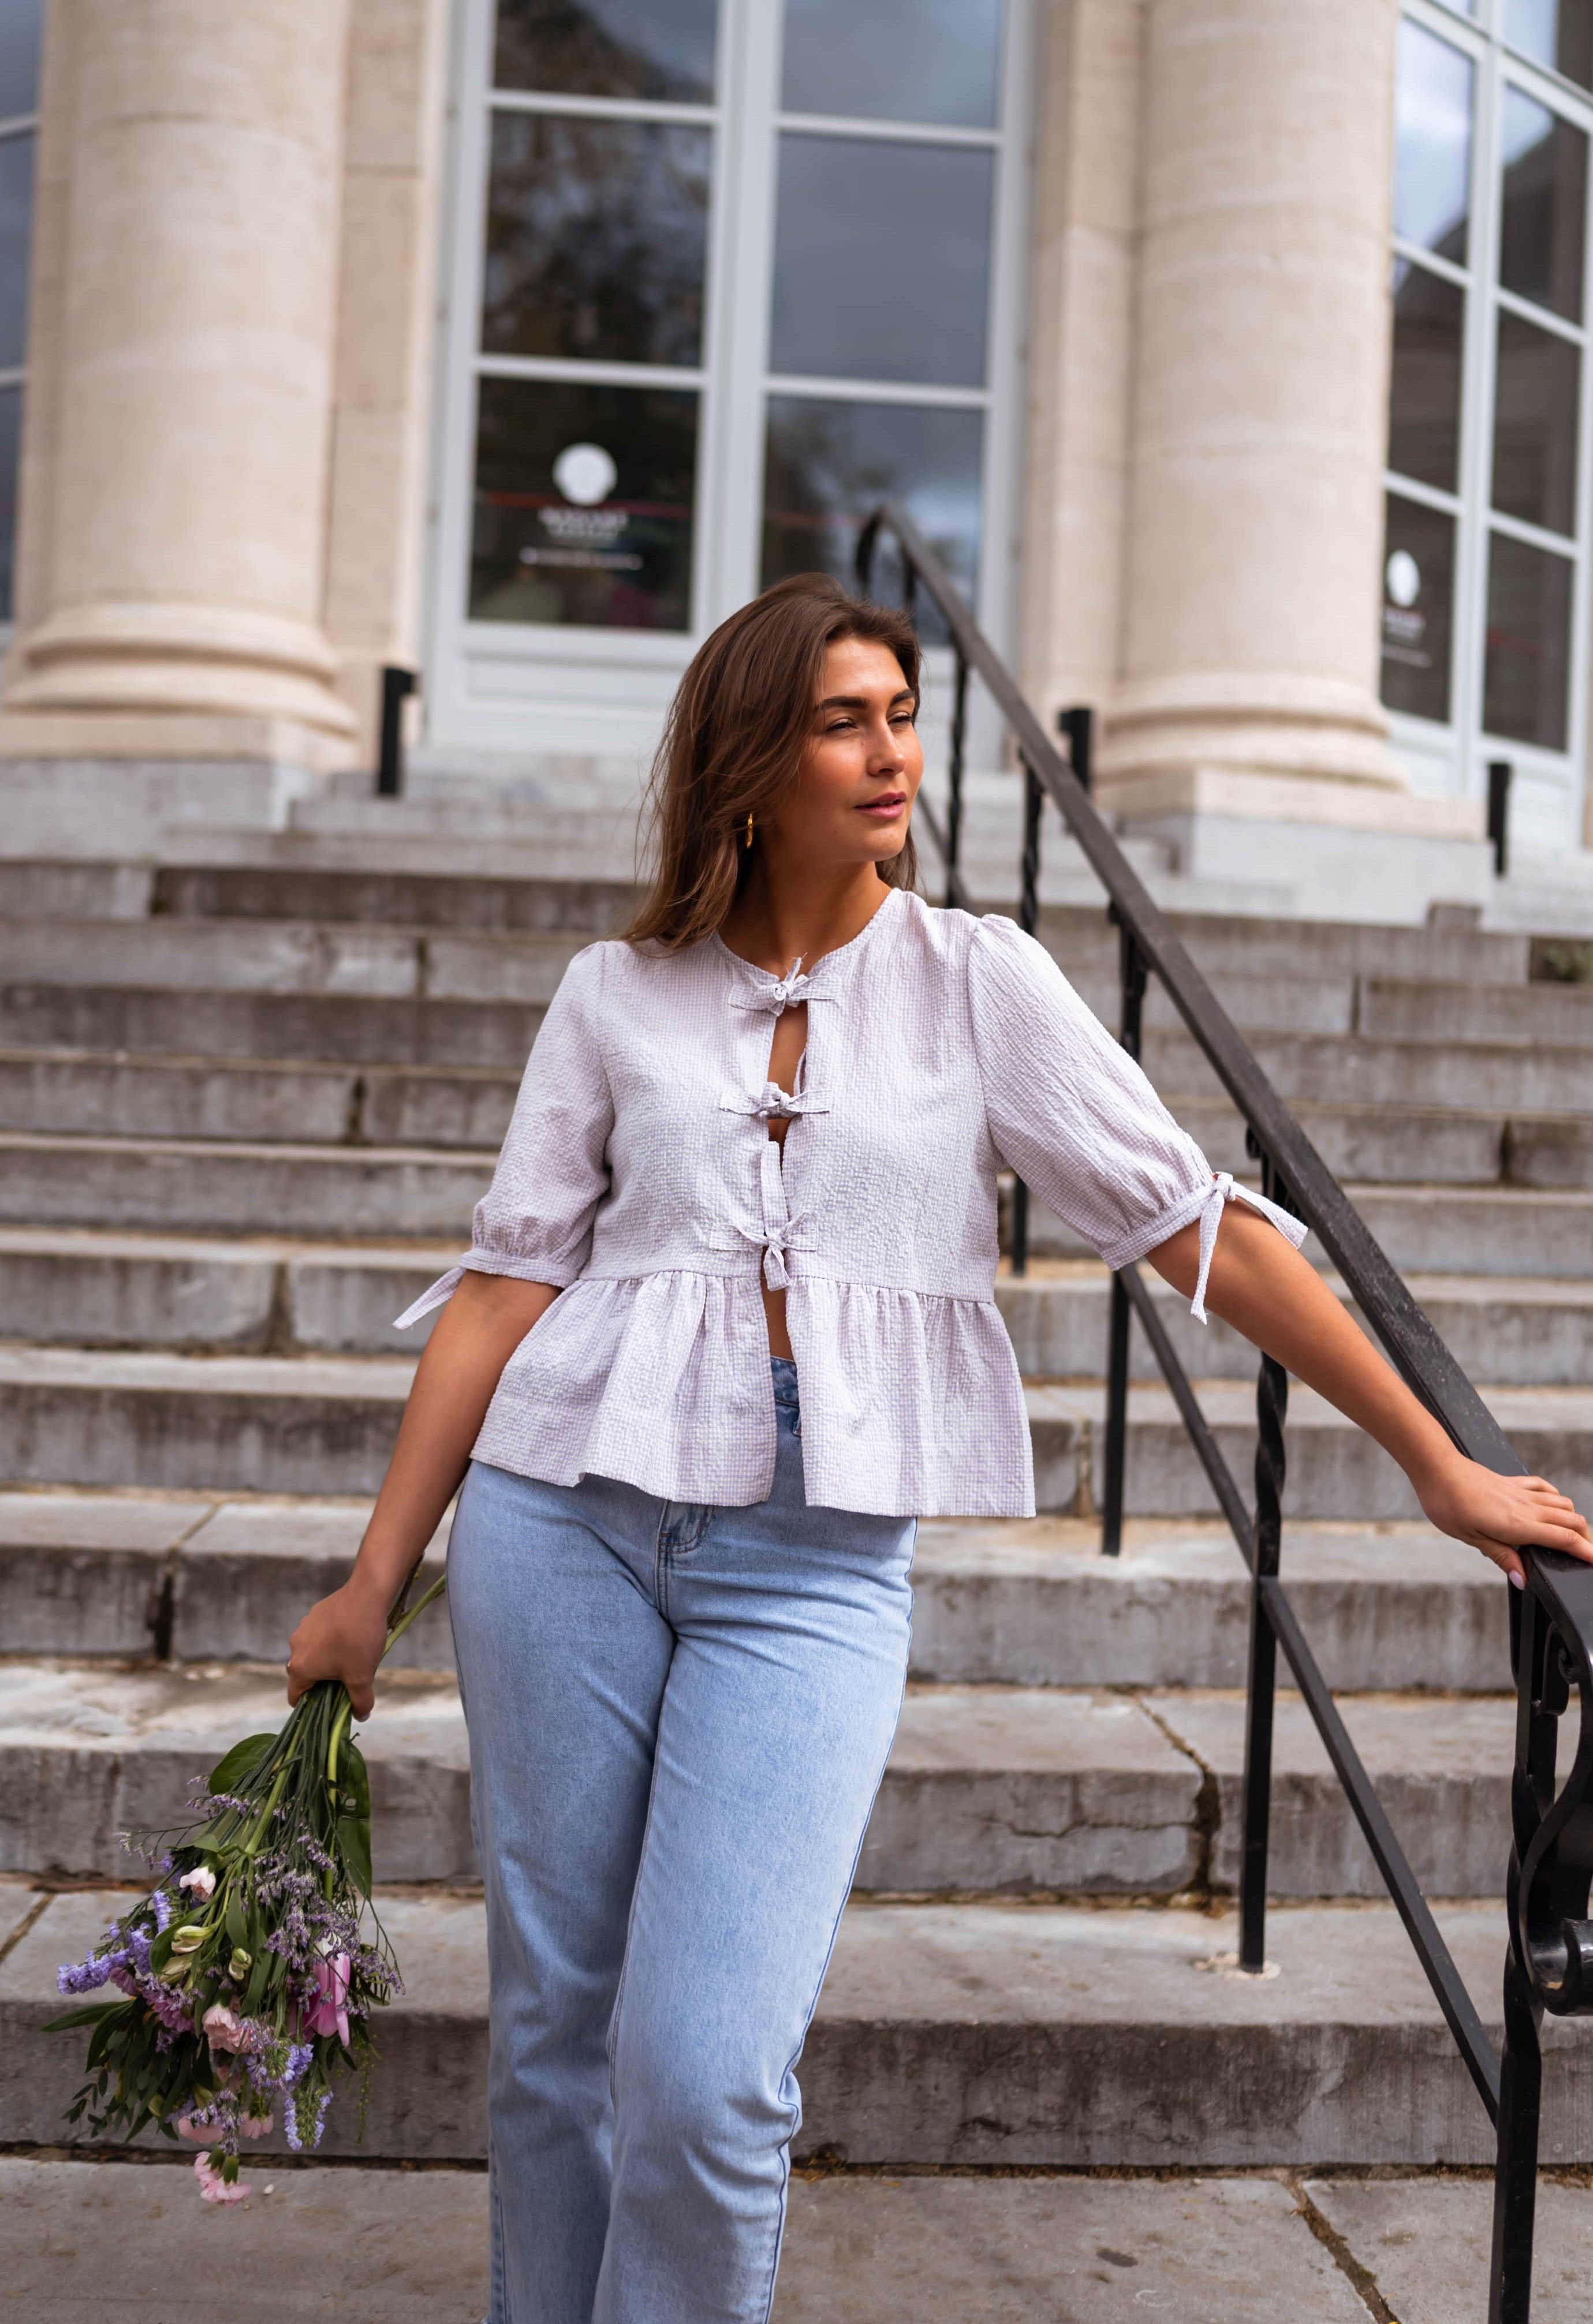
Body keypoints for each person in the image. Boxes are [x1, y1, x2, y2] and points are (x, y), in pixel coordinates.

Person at [285, 572, 1591, 2324]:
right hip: (563, 1522)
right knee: (552, 2034)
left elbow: (1200, 1228)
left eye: (904, 712)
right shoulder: (617, 991)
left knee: (707, 2072)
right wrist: (374, 1580)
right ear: (753, 755)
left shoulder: (982, 980)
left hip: (813, 1559)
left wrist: (1433, 1461)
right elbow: (505, 1289)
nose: (892, 751)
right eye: (845, 718)